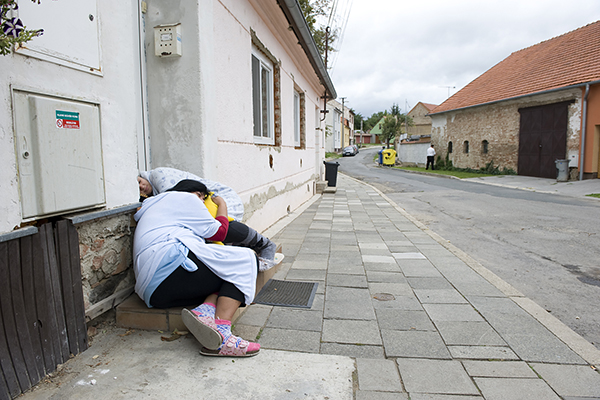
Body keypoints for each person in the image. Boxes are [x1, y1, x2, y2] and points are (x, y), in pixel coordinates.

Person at [133, 179, 260, 357]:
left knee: (225, 267)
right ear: (192, 192)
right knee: (247, 260)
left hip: (155, 293)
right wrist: (221, 203)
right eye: (202, 197)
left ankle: (206, 309)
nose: (202, 203)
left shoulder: (156, 205)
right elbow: (220, 232)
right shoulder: (186, 199)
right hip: (169, 272)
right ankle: (222, 337)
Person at [137, 167, 279, 271]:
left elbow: (220, 231)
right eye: (199, 196)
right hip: (166, 260)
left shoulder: (159, 187)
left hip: (218, 226)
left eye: (139, 181)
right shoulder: (173, 201)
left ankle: (263, 247)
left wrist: (222, 204)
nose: (141, 186)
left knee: (228, 231)